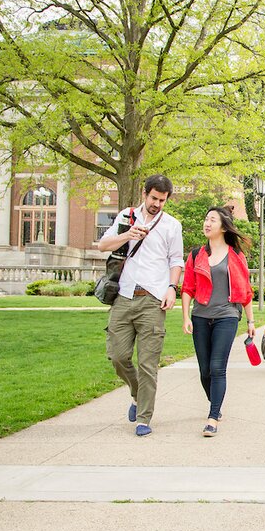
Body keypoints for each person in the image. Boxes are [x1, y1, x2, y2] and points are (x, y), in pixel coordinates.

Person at [99, 174, 184, 437]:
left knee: (148, 363)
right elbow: (102, 245)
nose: (157, 204)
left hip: (153, 300)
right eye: (154, 198)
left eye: (162, 200)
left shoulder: (171, 225)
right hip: (124, 297)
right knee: (118, 356)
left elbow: (176, 260)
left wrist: (172, 288)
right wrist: (127, 236)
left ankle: (144, 418)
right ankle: (136, 393)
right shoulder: (126, 217)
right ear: (144, 193)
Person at [180, 207, 256, 437]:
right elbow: (187, 289)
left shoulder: (236, 256)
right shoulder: (196, 255)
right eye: (206, 218)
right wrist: (185, 317)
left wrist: (251, 322)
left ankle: (213, 417)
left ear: (223, 226)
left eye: (212, 219)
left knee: (217, 367)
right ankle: (216, 403)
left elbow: (245, 291)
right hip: (200, 316)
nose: (207, 223)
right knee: (204, 371)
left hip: (227, 316)